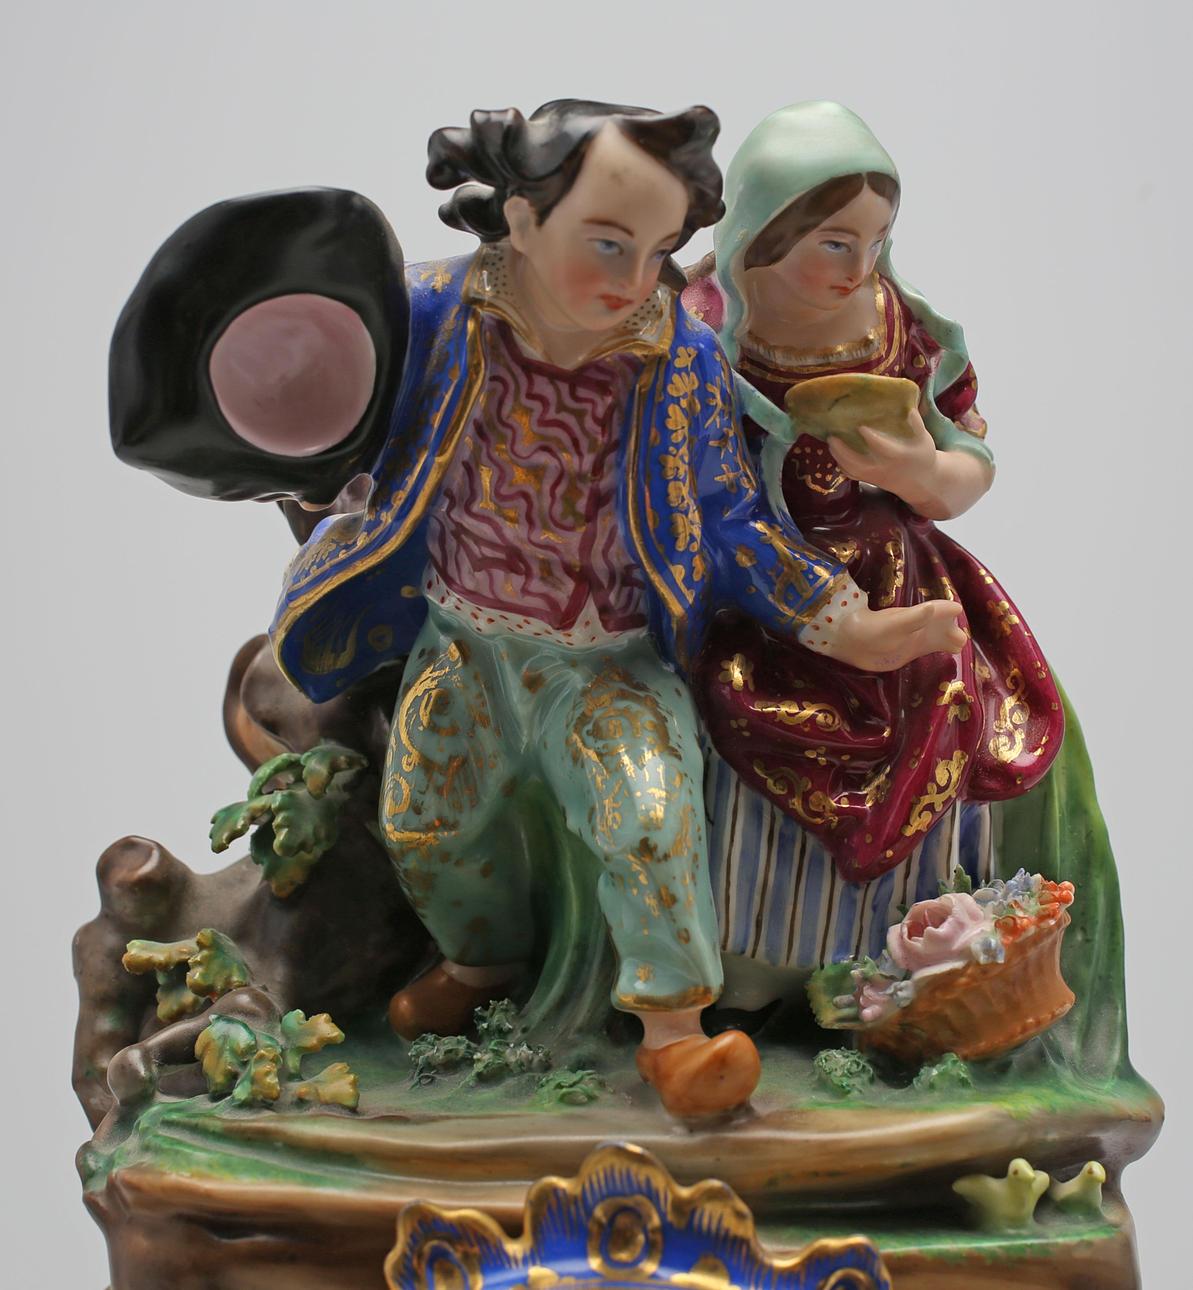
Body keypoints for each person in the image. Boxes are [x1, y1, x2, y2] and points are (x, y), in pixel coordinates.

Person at [267, 100, 965, 1116]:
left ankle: (675, 1036)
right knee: (423, 821)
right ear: (520, 216)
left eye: (655, 249)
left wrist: (841, 621)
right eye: (606, 242)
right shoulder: (433, 314)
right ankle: (480, 961)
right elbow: (339, 410)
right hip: (463, 639)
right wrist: (291, 449)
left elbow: (729, 517)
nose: (633, 276)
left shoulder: (678, 357)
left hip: (609, 657)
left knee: (647, 818)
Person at [681, 101, 1064, 985]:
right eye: (832, 242)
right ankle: (744, 965)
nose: (859, 266)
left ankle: (900, 958)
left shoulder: (899, 327)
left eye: (875, 240)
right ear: (762, 230)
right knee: (728, 706)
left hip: (890, 566)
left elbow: (968, 465)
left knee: (939, 693)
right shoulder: (695, 332)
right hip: (743, 582)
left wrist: (917, 471)